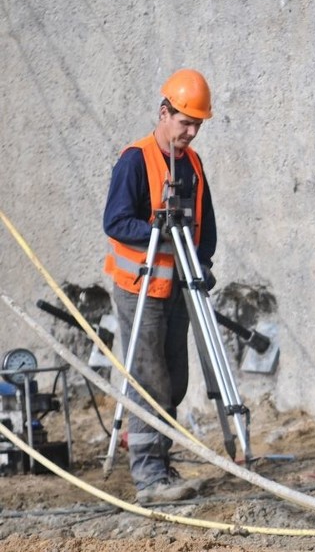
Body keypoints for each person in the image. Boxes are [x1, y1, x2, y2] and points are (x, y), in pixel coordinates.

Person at [103, 68, 217, 503]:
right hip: (140, 286)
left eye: (197, 125)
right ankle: (149, 478)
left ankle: (161, 461)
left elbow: (206, 223)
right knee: (148, 378)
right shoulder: (137, 159)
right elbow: (115, 221)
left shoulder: (192, 163)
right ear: (163, 112)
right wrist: (157, 229)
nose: (190, 132)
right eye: (185, 122)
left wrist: (203, 262)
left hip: (177, 289)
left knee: (174, 377)